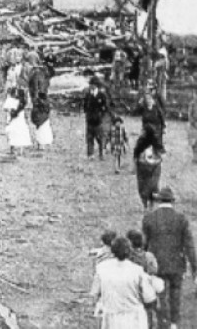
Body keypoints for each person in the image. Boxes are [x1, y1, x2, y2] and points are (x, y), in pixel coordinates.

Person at [142, 187, 197, 329]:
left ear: (158, 200)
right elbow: (189, 245)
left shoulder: (149, 218)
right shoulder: (181, 219)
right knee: (175, 293)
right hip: (176, 263)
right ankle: (174, 323)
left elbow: (144, 244)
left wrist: (142, 264)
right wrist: (194, 267)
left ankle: (163, 322)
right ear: (173, 201)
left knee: (160, 294)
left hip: (156, 264)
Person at [89, 237, 156, 329]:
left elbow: (95, 294)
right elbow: (149, 298)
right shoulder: (137, 271)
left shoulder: (101, 268)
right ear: (129, 251)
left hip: (111, 317)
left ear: (112, 251)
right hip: (134, 319)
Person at [25, 51, 53, 150]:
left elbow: (36, 86)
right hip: (43, 97)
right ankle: (42, 142)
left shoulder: (36, 72)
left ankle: (41, 143)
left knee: (39, 119)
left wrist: (36, 98)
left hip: (39, 98)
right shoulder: (43, 70)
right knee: (42, 120)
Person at [134, 92, 166, 164]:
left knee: (156, 145)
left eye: (149, 99)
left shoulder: (156, 108)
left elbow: (162, 118)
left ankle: (157, 159)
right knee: (141, 143)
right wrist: (139, 103)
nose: (148, 100)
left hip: (156, 129)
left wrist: (163, 127)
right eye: (147, 99)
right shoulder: (143, 108)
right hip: (146, 129)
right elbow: (134, 112)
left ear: (152, 100)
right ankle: (138, 158)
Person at [84, 77, 111, 160]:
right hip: (89, 119)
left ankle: (101, 153)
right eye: (90, 84)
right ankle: (90, 154)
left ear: (96, 85)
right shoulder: (88, 95)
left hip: (98, 120)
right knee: (89, 137)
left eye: (92, 84)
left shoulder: (102, 95)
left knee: (100, 138)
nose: (90, 86)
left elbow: (106, 106)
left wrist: (101, 114)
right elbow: (85, 106)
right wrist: (87, 113)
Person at [4, 87, 32, 155]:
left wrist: (11, 113)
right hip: (18, 120)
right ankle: (17, 150)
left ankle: (15, 150)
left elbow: (9, 110)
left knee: (14, 133)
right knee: (15, 134)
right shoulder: (21, 102)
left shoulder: (19, 102)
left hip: (17, 120)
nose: (15, 95)